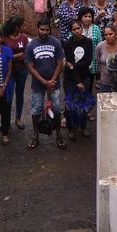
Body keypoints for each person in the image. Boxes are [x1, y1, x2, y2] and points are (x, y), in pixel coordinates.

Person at [25, 18, 66, 150]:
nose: (45, 32)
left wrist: (52, 80)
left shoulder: (56, 43)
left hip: (54, 83)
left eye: (47, 29)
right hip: (38, 84)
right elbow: (30, 66)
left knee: (56, 108)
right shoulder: (31, 45)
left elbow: (60, 63)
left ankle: (59, 134)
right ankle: (35, 134)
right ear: (38, 29)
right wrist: (43, 82)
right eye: (42, 29)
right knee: (36, 108)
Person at [63, 20, 93, 139]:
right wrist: (78, 81)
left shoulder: (88, 42)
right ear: (71, 31)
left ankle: (83, 126)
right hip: (70, 79)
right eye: (74, 29)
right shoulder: (68, 43)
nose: (77, 31)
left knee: (84, 104)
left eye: (78, 28)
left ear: (82, 28)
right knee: (70, 105)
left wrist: (74, 65)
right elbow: (69, 64)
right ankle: (71, 128)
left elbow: (88, 60)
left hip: (85, 76)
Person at [2, 16, 30, 130]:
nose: (23, 27)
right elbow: (3, 55)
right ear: (16, 27)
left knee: (20, 95)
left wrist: (14, 57)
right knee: (8, 96)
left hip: (22, 70)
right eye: (21, 25)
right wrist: (15, 56)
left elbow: (27, 54)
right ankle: (6, 120)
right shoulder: (5, 39)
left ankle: (18, 118)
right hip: (9, 72)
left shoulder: (24, 38)